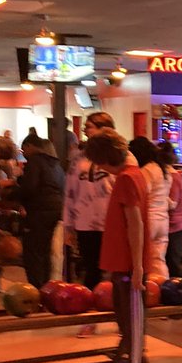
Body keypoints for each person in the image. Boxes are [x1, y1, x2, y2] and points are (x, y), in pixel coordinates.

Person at [83, 129, 151, 363]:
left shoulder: (126, 179)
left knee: (129, 311)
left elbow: (136, 224)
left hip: (127, 260)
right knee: (126, 310)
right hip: (124, 259)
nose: (100, 167)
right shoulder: (134, 175)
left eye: (100, 162)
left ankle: (131, 357)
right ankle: (130, 351)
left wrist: (137, 266)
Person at [64, 112, 121, 336]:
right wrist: (69, 225)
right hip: (86, 224)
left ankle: (122, 317)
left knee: (117, 273)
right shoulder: (79, 159)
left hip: (113, 223)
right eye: (86, 127)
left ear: (106, 129)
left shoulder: (120, 157)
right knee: (91, 272)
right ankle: (90, 318)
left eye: (91, 126)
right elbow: (69, 193)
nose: (86, 130)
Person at [10, 135, 64, 289]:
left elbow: (30, 188)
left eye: (24, 148)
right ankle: (48, 287)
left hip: (39, 212)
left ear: (30, 146)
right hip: (55, 210)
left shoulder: (34, 161)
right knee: (47, 251)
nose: (24, 153)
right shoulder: (55, 164)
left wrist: (14, 194)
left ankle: (36, 288)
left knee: (33, 252)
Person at [129, 137, 169, 278]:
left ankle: (150, 291)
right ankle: (163, 288)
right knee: (158, 260)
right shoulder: (161, 169)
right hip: (163, 219)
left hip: (149, 219)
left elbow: (141, 193)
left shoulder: (146, 170)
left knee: (146, 261)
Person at [158, 142, 182, 277]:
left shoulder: (172, 177)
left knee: (172, 263)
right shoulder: (174, 176)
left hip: (173, 225)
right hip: (175, 224)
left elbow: (172, 203)